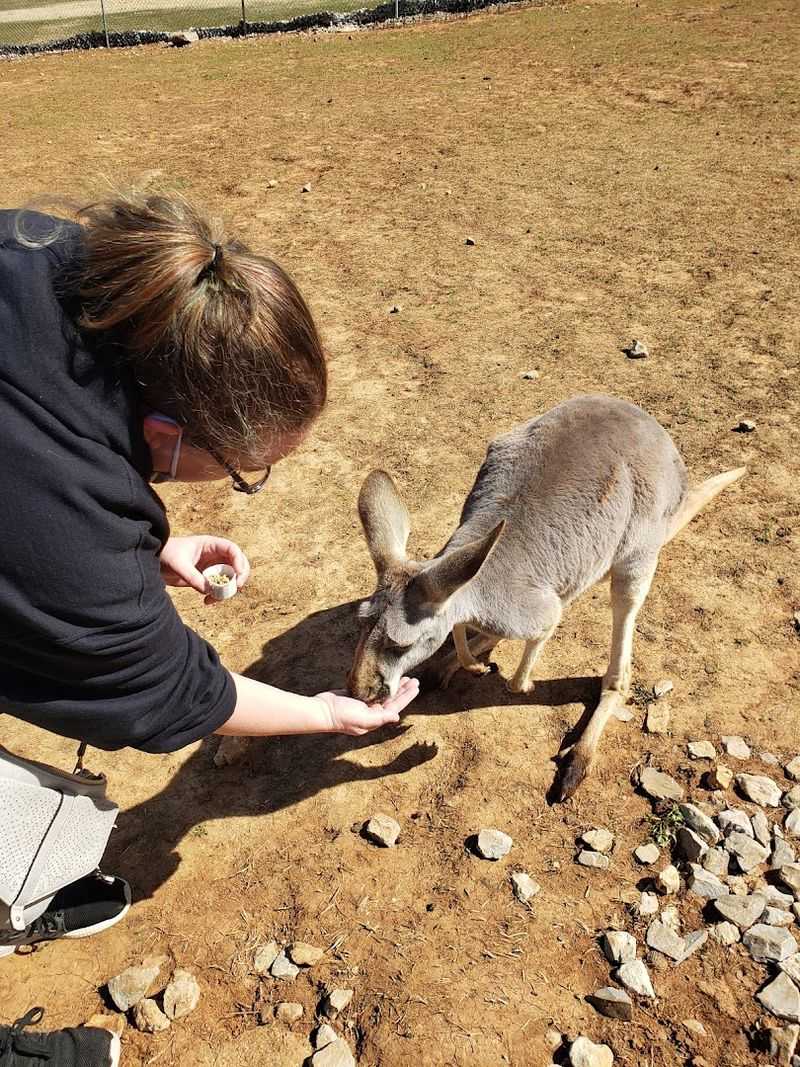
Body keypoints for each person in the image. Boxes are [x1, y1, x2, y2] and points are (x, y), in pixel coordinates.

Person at [0, 192, 419, 1048]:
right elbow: (170, 690)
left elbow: (37, 474)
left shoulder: (48, 259)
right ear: (166, 432)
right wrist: (329, 712)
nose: (244, 483)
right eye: (246, 472)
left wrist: (145, 543)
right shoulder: (74, 558)